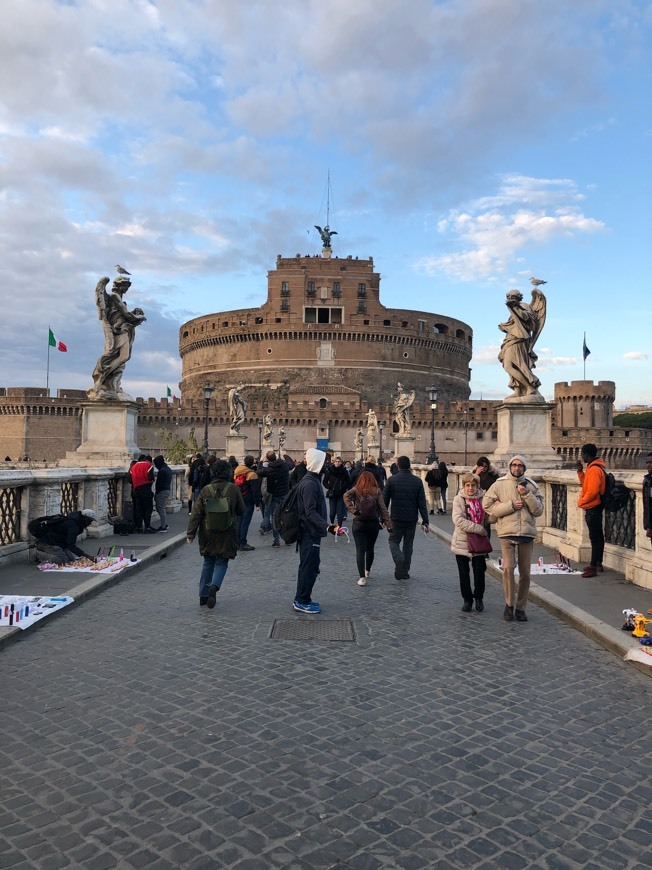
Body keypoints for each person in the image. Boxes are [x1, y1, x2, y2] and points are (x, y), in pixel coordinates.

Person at [483, 455, 544, 622]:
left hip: (526, 533)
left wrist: (527, 495)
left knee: (525, 573)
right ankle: (509, 604)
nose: (517, 468)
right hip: (506, 532)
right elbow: (486, 506)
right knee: (508, 569)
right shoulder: (499, 484)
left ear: (524, 468)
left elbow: (538, 511)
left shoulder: (532, 486)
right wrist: (510, 506)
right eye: (514, 465)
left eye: (520, 465)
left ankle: (521, 608)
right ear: (510, 467)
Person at [186, 458, 244, 608]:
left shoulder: (206, 490)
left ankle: (203, 596)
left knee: (208, 562)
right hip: (227, 532)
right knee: (222, 561)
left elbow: (196, 513)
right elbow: (241, 510)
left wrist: (190, 533)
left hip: (207, 532)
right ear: (228, 472)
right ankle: (215, 585)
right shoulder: (233, 488)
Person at [88, 275, 147, 401]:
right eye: (125, 286)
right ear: (119, 285)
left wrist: (134, 317)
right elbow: (125, 313)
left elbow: (124, 314)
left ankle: (112, 384)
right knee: (123, 356)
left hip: (123, 329)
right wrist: (139, 318)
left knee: (123, 358)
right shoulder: (114, 296)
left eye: (127, 286)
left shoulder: (118, 298)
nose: (126, 288)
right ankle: (102, 378)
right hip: (118, 330)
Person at [294, 448, 334, 613]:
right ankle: (302, 600)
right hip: (309, 532)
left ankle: (302, 598)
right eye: (325, 461)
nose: (327, 465)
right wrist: (327, 526)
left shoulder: (312, 481)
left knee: (310, 565)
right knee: (308, 566)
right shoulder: (310, 483)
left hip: (311, 532)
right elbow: (310, 511)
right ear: (318, 463)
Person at [382, 455, 429, 580]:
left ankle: (398, 558)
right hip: (411, 518)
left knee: (393, 541)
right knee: (408, 545)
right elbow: (422, 503)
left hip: (396, 517)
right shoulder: (417, 481)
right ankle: (404, 571)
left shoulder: (391, 480)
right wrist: (425, 520)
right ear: (409, 466)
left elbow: (384, 502)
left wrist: (383, 518)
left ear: (398, 466)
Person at [344, 471, 391, 586]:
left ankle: (361, 578)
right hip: (373, 523)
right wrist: (388, 523)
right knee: (370, 548)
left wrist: (353, 510)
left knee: (360, 550)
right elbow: (383, 508)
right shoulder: (377, 491)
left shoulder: (356, 489)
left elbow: (345, 496)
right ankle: (367, 570)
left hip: (359, 523)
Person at [497, 288, 546, 398]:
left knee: (515, 365)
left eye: (512, 297)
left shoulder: (523, 305)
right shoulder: (513, 308)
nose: (510, 299)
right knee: (510, 366)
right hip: (511, 339)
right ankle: (518, 391)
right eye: (508, 297)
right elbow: (515, 324)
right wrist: (505, 326)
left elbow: (528, 319)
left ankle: (530, 386)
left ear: (518, 297)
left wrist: (516, 307)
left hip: (519, 340)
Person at [451, 473, 490, 612]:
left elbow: (490, 516)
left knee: (480, 572)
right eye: (467, 485)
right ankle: (467, 599)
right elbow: (458, 520)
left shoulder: (484, 499)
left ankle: (479, 597)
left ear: (477, 486)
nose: (470, 488)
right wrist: (479, 528)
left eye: (473, 485)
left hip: (479, 542)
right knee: (464, 572)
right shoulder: (458, 499)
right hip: (462, 541)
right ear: (464, 486)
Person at [576, 443, 607, 578]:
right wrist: (580, 472)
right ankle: (598, 563)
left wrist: (580, 502)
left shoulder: (594, 469)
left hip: (593, 506)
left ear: (587, 454)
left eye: (582, 454)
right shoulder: (593, 468)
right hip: (595, 506)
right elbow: (587, 485)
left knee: (595, 538)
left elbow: (592, 491)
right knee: (597, 536)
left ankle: (593, 566)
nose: (582, 456)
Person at [257, 450, 293, 547]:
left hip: (274, 495)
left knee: (274, 517)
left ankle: (276, 540)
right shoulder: (285, 465)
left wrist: (260, 461)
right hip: (285, 494)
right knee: (285, 516)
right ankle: (287, 538)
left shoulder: (269, 469)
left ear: (268, 459)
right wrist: (285, 454)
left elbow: (259, 472)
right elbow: (292, 464)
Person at [232, 455, 261, 550]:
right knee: (245, 522)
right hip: (248, 500)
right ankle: (243, 543)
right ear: (252, 463)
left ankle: (236, 542)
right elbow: (255, 491)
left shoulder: (237, 472)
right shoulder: (252, 474)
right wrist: (257, 503)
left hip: (238, 498)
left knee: (239, 521)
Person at [130, 454, 156, 533]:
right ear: (145, 460)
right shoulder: (149, 465)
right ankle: (147, 527)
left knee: (139, 509)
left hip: (137, 490)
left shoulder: (133, 467)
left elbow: (130, 479)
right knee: (148, 509)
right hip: (146, 489)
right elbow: (151, 477)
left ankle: (139, 527)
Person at [323, 455, 349, 528]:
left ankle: (339, 526)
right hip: (332, 494)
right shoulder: (329, 471)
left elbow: (348, 482)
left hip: (341, 494)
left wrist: (342, 487)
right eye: (336, 461)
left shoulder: (344, 471)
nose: (337, 463)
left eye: (339, 461)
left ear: (341, 462)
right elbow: (324, 481)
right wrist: (329, 487)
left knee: (340, 512)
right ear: (334, 462)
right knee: (332, 512)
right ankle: (332, 523)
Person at [152, 455, 172, 532]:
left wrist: (156, 493)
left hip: (162, 491)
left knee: (160, 508)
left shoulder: (162, 471)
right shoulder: (168, 469)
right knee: (161, 508)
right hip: (167, 490)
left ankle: (163, 526)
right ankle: (164, 524)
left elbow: (159, 484)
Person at [643, 452, 652, 544]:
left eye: (651, 462)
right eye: (647, 463)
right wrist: (648, 526)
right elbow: (647, 506)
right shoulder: (647, 481)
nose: (649, 465)